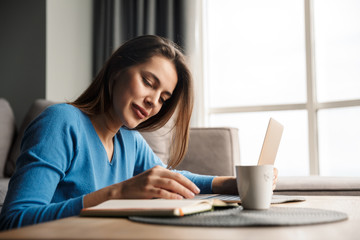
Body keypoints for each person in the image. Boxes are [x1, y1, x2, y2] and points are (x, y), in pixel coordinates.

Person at [0, 35, 278, 230]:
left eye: (164, 98)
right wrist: (118, 192)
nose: (154, 101)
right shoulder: (61, 122)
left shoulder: (129, 141)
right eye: (148, 82)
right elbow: (13, 222)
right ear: (118, 69)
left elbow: (172, 177)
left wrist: (229, 183)